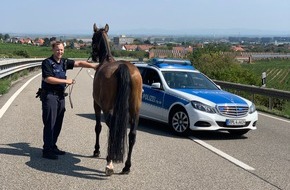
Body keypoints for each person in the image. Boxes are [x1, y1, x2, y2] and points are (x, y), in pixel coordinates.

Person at [41, 41, 97, 160]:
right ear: (53, 50)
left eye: (61, 50)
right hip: (50, 96)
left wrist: (94, 66)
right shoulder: (47, 63)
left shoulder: (64, 62)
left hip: (60, 97)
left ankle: (53, 145)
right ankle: (47, 150)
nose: (59, 52)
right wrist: (66, 81)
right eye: (57, 50)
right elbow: (48, 79)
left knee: (58, 123)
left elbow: (79, 63)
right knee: (50, 123)